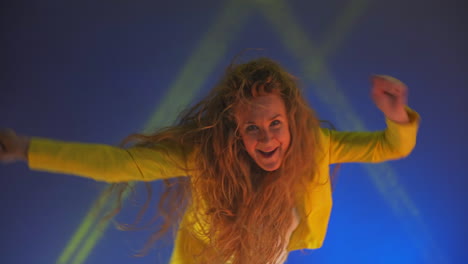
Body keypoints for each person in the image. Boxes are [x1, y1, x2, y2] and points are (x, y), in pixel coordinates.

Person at [0, 58, 419, 264]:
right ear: (234, 130)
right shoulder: (206, 156)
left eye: (276, 123)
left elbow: (389, 146)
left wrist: (395, 112)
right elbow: (118, 164)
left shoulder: (316, 145)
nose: (268, 139)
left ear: (292, 118)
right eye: (252, 129)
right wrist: (23, 148)